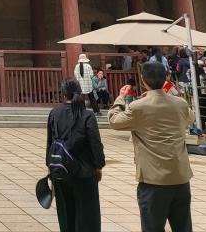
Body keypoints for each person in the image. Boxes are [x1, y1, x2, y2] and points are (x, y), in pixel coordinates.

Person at [108, 61, 193, 232]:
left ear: (143, 79)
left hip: (154, 179)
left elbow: (115, 121)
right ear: (166, 78)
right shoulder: (180, 104)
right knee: (183, 226)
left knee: (152, 227)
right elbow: (190, 118)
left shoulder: (138, 107)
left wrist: (120, 98)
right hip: (180, 177)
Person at [46, 77, 105, 232]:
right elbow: (95, 144)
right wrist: (98, 166)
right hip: (84, 171)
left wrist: (49, 166)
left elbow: (50, 142)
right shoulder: (87, 115)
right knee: (87, 216)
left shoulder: (54, 113)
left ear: (63, 94)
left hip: (61, 170)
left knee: (66, 214)